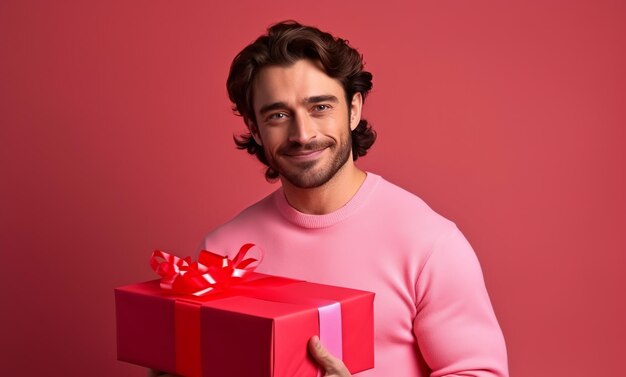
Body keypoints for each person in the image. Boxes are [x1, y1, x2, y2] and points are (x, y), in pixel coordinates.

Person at [156, 20, 508, 376]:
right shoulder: (223, 252)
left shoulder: (430, 244)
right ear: (254, 129)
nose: (302, 134)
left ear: (354, 109)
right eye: (278, 115)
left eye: (320, 107)